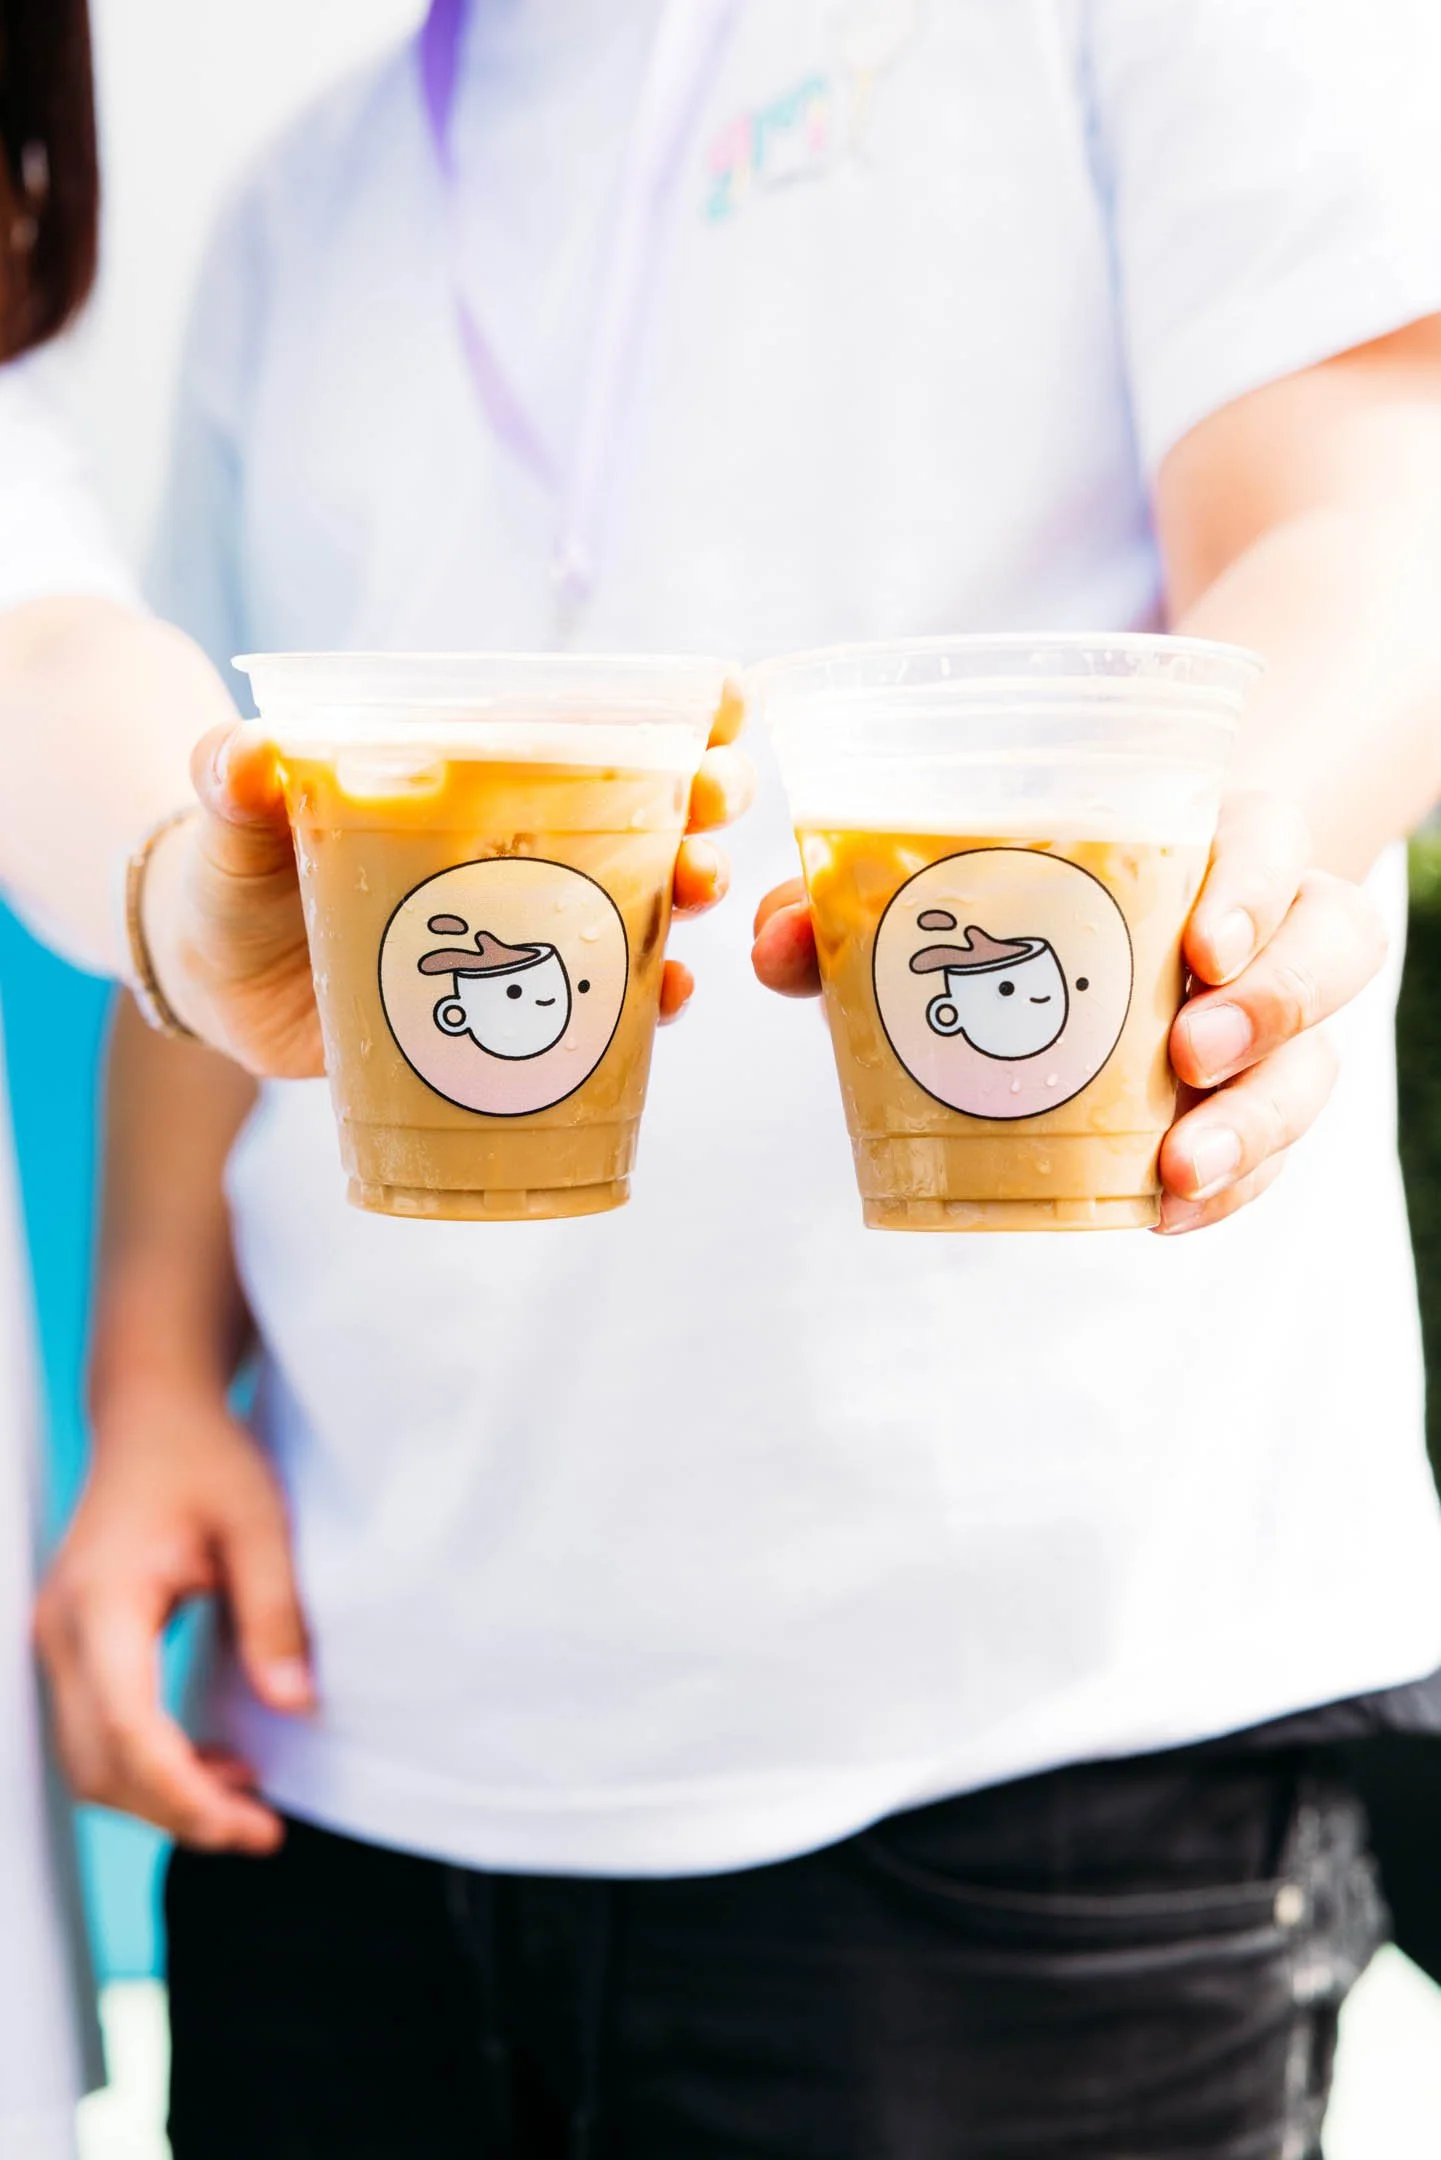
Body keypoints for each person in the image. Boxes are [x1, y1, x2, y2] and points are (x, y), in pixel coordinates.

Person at [34, 0, 1441, 2152]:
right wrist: (147, 1396)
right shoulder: (297, 201)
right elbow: (232, 890)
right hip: (351, 1769)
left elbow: (1365, 525)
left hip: (1018, 1772)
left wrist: (1218, 903)